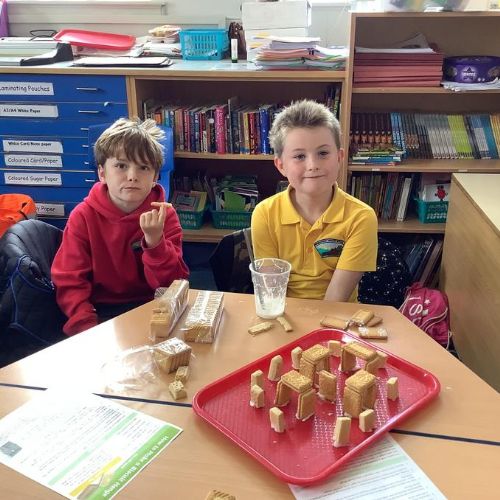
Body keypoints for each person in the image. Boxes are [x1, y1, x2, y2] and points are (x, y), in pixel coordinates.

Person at [52, 118, 189, 335]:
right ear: (102, 173)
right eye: (121, 166)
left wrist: (155, 243)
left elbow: (172, 285)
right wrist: (86, 329)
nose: (133, 176)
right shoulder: (83, 216)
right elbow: (70, 281)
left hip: (152, 309)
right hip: (101, 313)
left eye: (143, 168)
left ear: (154, 177)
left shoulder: (165, 215)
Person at [251, 100, 377, 303]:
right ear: (281, 165)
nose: (313, 165)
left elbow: (336, 299)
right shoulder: (264, 213)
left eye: (323, 153)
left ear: (339, 156)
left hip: (335, 316)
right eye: (299, 156)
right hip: (284, 314)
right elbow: (272, 292)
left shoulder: (361, 217)